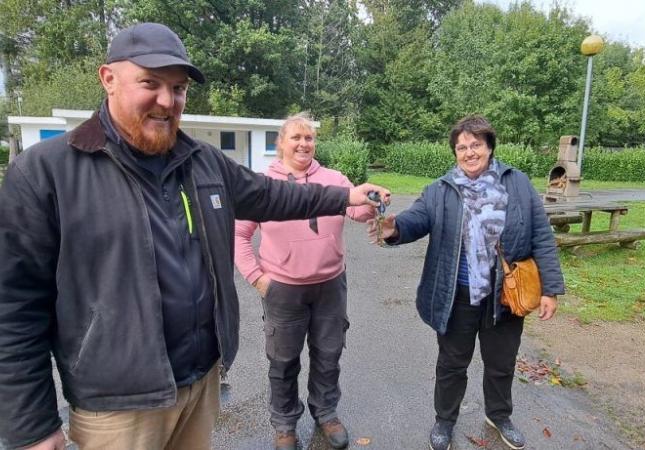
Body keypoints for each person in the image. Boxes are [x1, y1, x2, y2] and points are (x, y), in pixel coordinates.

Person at [0, 23, 389, 450]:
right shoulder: (46, 172)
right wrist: (32, 424)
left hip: (201, 384)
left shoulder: (203, 162)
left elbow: (273, 196)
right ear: (108, 78)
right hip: (119, 408)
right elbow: (13, 306)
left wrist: (344, 195)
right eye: (150, 83)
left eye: (179, 88)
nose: (167, 101)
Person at [368, 115, 564, 450]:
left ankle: (499, 415)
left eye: (476, 144)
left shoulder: (517, 183)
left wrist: (550, 288)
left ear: (489, 146)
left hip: (504, 293)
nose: (469, 152)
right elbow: (418, 219)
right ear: (454, 152)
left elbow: (541, 235)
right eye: (462, 147)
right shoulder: (441, 189)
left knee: (501, 363)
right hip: (456, 294)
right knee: (451, 364)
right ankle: (444, 420)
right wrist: (393, 227)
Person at [234, 113, 376, 450]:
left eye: (309, 137)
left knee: (328, 354)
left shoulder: (334, 179)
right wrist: (258, 278)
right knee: (283, 361)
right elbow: (238, 236)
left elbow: (357, 211)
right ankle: (285, 424)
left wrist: (373, 203)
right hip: (282, 289)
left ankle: (325, 413)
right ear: (280, 143)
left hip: (330, 286)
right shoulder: (263, 183)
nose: (303, 143)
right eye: (296, 137)